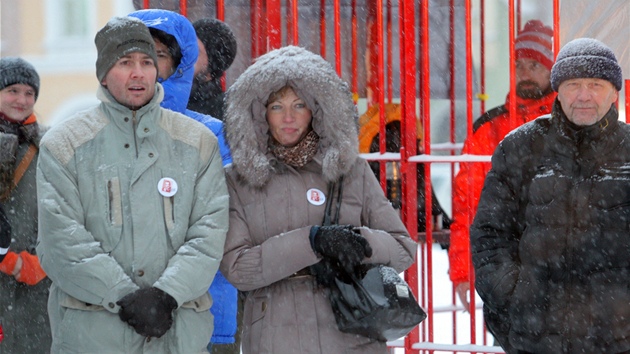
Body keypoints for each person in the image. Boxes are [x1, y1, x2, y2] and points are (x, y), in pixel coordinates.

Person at [36, 16, 229, 353]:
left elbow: (209, 234)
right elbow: (61, 241)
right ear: (104, 74)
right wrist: (122, 295)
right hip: (93, 336)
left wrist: (167, 294)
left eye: (146, 62)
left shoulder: (197, 143)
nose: (138, 73)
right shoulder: (64, 145)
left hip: (177, 336)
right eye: (125, 63)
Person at [219, 45, 417, 354]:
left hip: (353, 335)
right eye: (276, 106)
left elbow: (403, 248)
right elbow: (238, 268)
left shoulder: (351, 171)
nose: (288, 117)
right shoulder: (237, 180)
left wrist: (355, 242)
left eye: (299, 105)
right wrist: (312, 242)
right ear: (259, 114)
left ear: (317, 109)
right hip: (278, 339)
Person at [471, 38, 627, 353]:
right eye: (573, 84)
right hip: (536, 339)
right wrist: (515, 299)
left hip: (618, 339)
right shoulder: (520, 147)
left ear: (614, 92)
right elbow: (490, 236)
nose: (584, 96)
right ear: (557, 90)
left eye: (595, 84)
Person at [127, 9, 237, 353]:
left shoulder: (210, 133)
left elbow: (222, 223)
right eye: (135, 56)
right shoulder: (89, 135)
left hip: (204, 308)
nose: (145, 67)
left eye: (157, 56)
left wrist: (167, 291)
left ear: (180, 63)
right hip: (120, 311)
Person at [448, 19, 556, 309]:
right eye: (520, 65)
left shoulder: (571, 124)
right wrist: (463, 268)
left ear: (552, 69)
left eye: (535, 65)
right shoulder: (489, 127)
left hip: (566, 268)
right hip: (506, 266)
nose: (525, 73)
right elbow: (468, 203)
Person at [0, 57, 51, 353]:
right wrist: (11, 262)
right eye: (13, 90)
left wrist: (46, 261)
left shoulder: (49, 144)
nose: (22, 100)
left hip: (38, 283)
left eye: (29, 93)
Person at [187, 18, 237, 119]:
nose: (185, 55)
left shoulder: (225, 113)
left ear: (211, 67)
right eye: (185, 47)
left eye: (195, 52)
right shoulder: (159, 94)